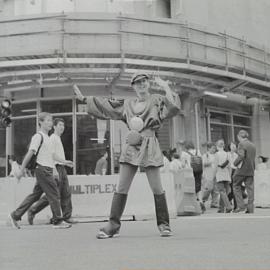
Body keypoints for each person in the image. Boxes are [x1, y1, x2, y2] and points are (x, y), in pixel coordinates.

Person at [73, 72, 180, 238]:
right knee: (121, 187)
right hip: (131, 146)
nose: (141, 84)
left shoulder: (157, 100)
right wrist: (84, 99)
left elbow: (173, 107)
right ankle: (112, 226)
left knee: (157, 188)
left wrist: (165, 86)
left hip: (150, 144)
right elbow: (106, 105)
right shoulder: (128, 104)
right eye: (138, 83)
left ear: (148, 84)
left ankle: (164, 225)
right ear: (133, 87)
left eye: (144, 81)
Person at [8, 113, 71, 229]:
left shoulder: (48, 138)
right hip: (42, 169)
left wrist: (63, 163)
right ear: (40, 122)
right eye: (47, 120)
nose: (50, 123)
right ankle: (57, 221)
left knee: (35, 196)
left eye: (51, 121)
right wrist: (21, 169)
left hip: (47, 169)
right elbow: (30, 153)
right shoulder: (38, 136)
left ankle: (15, 215)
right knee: (54, 194)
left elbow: (52, 156)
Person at [27, 118, 74, 225]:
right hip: (55, 168)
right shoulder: (52, 138)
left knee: (66, 193)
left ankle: (66, 216)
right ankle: (34, 210)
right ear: (54, 127)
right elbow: (50, 155)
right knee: (53, 195)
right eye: (60, 125)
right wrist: (54, 170)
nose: (62, 127)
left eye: (63, 125)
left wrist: (66, 162)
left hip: (62, 168)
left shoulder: (57, 138)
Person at [233, 130, 256, 213]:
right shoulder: (253, 145)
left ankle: (241, 206)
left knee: (236, 186)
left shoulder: (241, 144)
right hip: (251, 169)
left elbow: (241, 156)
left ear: (239, 136)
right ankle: (250, 208)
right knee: (250, 189)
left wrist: (235, 163)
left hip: (241, 170)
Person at [181, 140, 205, 213]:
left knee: (191, 187)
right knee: (198, 186)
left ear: (185, 146)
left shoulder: (184, 153)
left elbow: (182, 164)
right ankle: (200, 201)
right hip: (199, 171)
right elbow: (202, 161)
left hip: (190, 172)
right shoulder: (198, 151)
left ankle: (194, 204)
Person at [213, 139, 232, 213]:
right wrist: (230, 177)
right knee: (224, 192)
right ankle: (221, 208)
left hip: (219, 175)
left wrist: (213, 176)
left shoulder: (216, 154)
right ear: (223, 146)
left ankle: (228, 207)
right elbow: (230, 166)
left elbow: (215, 167)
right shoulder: (228, 154)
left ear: (217, 146)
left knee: (222, 191)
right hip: (226, 174)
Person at [202, 142, 219, 208]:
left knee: (215, 189)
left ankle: (214, 203)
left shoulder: (216, 155)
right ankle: (203, 200)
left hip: (216, 173)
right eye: (212, 148)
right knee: (208, 188)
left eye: (214, 148)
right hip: (208, 174)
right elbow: (203, 163)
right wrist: (210, 162)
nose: (214, 150)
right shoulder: (205, 155)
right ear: (209, 148)